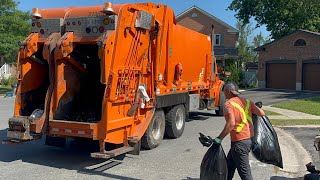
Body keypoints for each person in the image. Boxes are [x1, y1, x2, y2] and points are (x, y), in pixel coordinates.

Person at [212, 82, 265, 180]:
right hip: (249, 139)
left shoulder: (228, 104)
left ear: (228, 91)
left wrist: (219, 138)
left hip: (239, 143)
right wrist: (255, 108)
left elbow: (231, 124)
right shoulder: (247, 101)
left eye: (224, 92)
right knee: (229, 166)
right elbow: (261, 113)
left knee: (246, 175)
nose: (224, 94)